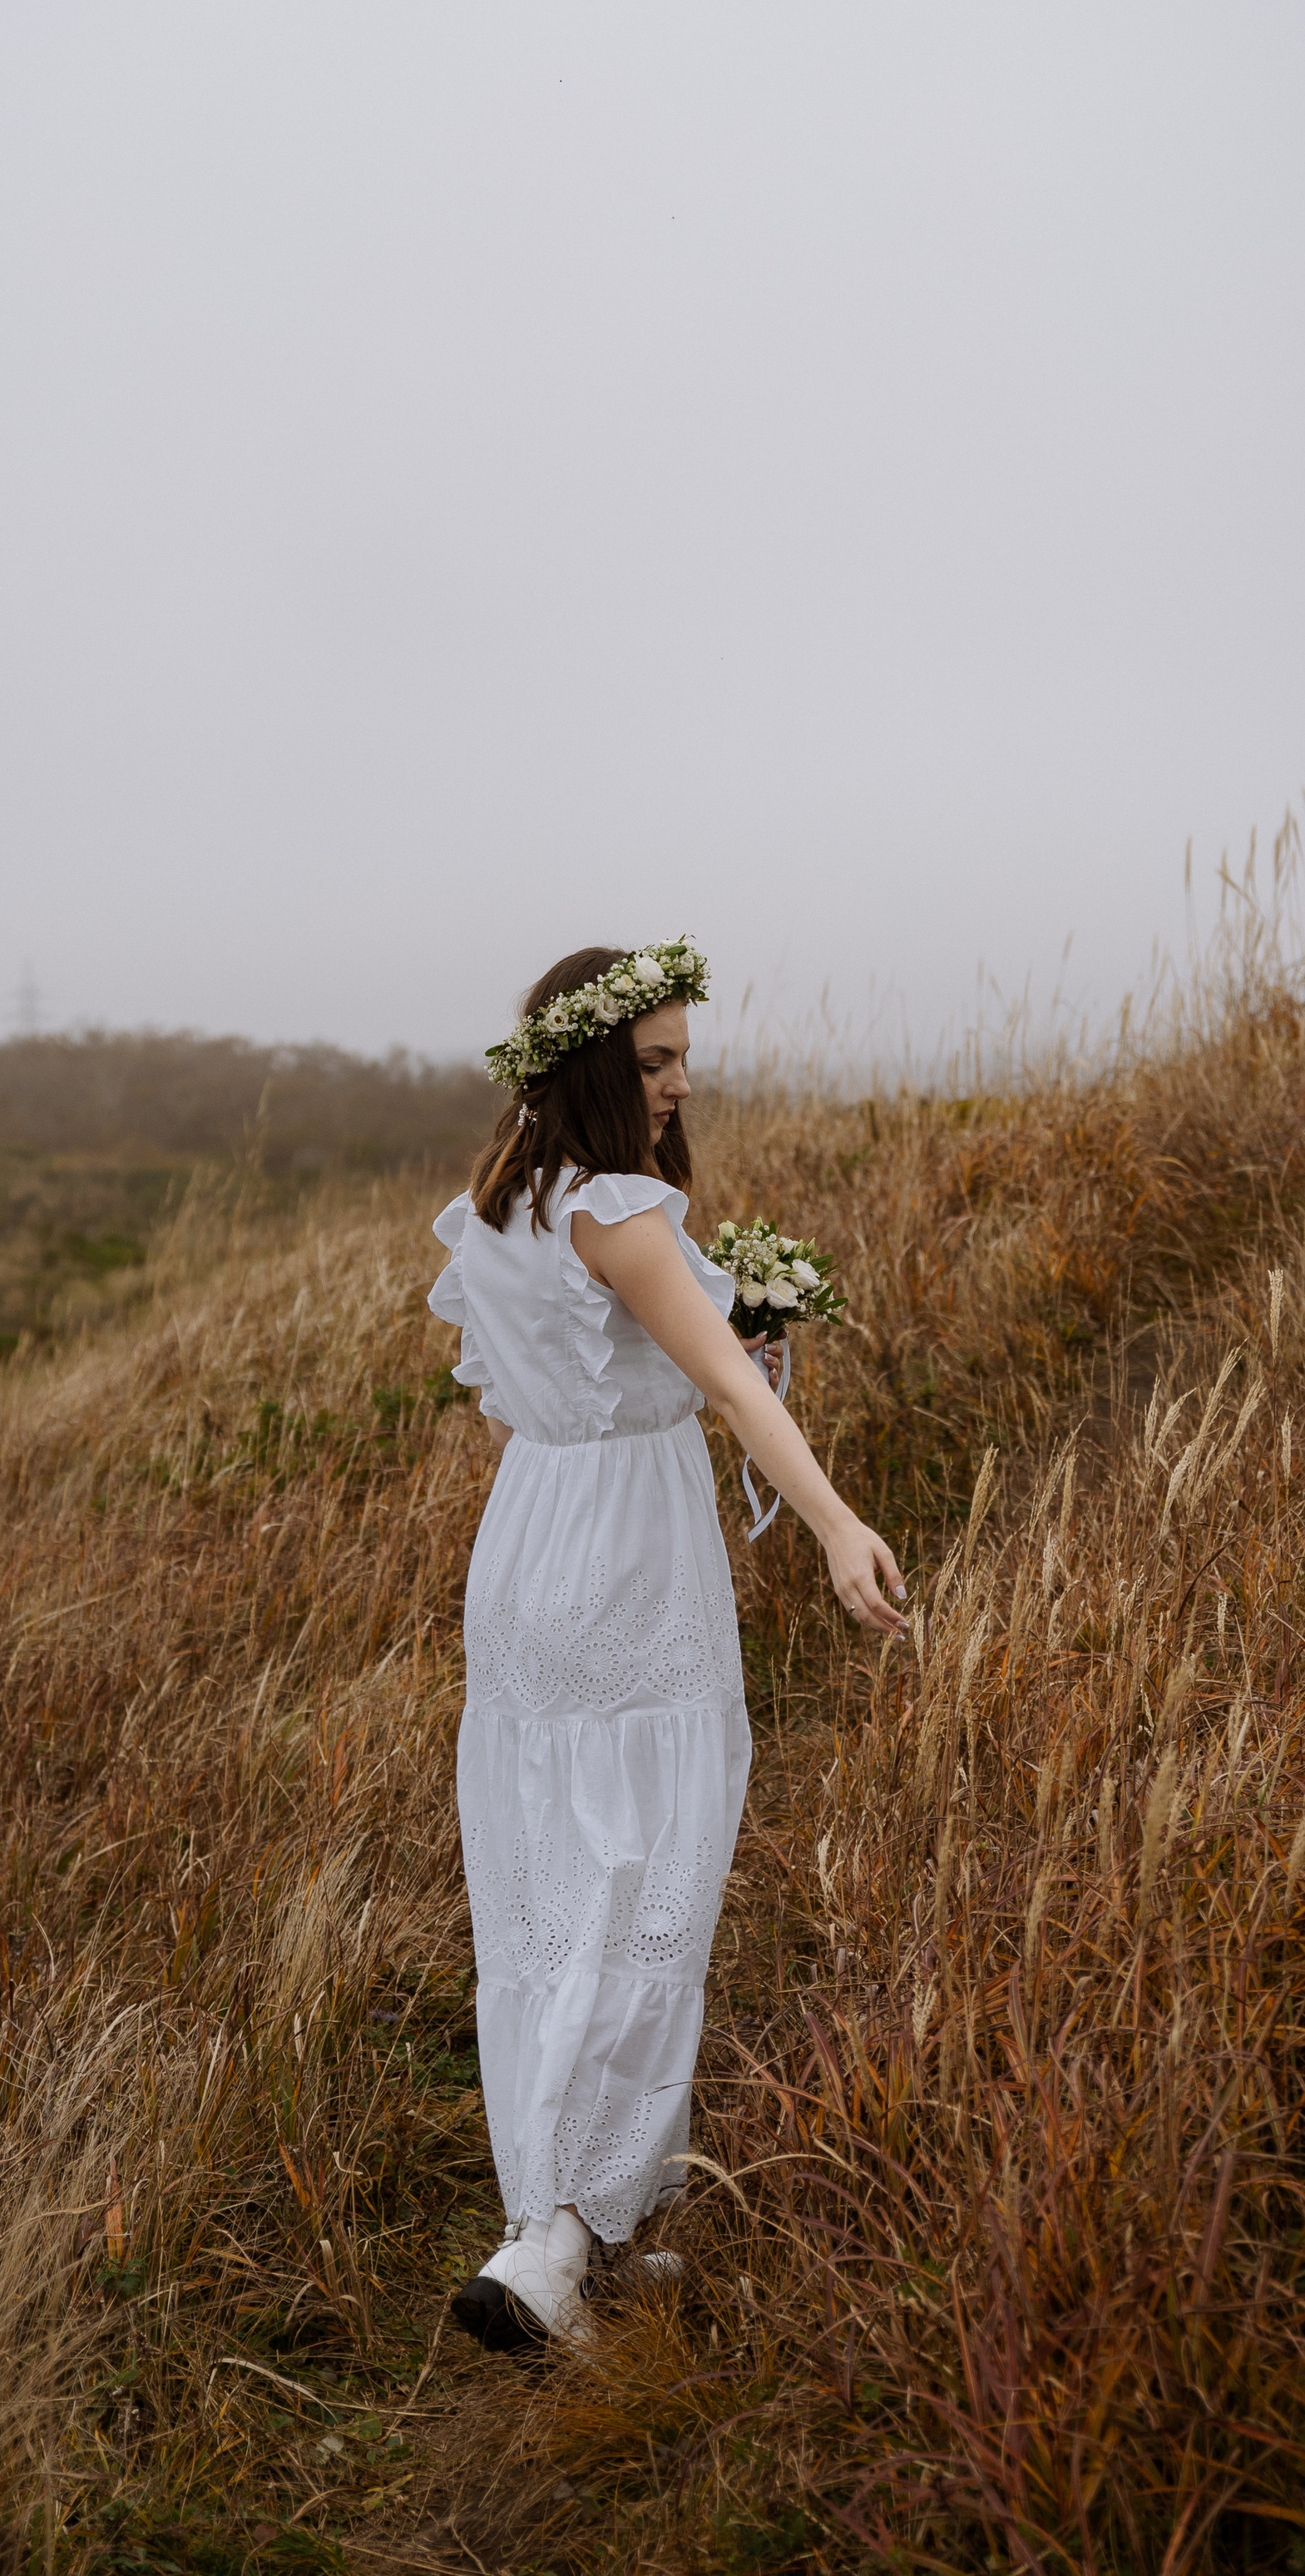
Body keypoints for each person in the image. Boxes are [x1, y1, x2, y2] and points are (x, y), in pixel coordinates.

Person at [427, 941, 911, 2353]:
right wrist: (836, 1524)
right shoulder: (622, 1209)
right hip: (629, 1552)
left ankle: (585, 2221)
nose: (680, 1082)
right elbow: (730, 1398)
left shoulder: (499, 1209)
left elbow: (524, 1401)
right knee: (644, 1879)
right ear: (591, 1065)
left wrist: (693, 1354)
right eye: (654, 1061)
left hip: (530, 1544)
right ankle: (556, 2239)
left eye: (683, 1056)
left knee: (547, 1888)